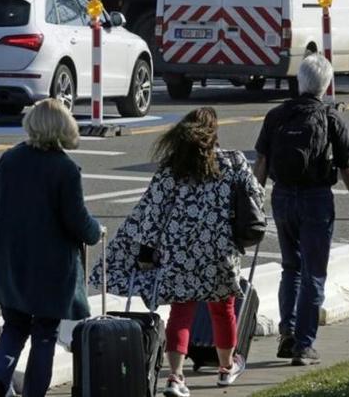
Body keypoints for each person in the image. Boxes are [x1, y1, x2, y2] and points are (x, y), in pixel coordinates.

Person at [92, 107, 264, 397]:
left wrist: (146, 252)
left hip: (178, 252)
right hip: (219, 251)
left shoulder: (173, 166)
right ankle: (226, 368)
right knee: (223, 310)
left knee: (181, 312)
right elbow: (256, 194)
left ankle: (175, 376)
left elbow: (153, 211)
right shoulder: (233, 162)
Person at [0, 98, 102, 397]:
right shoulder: (66, 169)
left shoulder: (9, 159)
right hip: (50, 268)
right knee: (45, 335)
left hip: (9, 260)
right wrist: (95, 231)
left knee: (13, 326)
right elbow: (76, 220)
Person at [254, 55, 349, 366]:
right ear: (327, 84)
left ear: (299, 81)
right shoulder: (331, 118)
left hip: (282, 198)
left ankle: (287, 332)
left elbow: (261, 163)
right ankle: (304, 345)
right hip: (316, 199)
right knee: (313, 273)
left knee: (290, 267)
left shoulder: (276, 115)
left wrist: (255, 201)